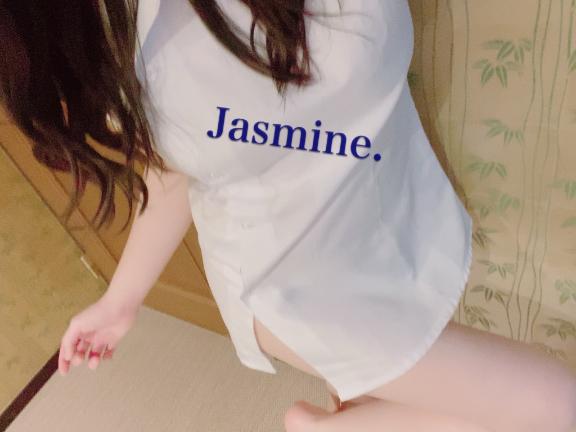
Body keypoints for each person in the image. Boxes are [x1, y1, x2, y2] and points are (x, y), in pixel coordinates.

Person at [1, 0, 575, 431]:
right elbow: (182, 160)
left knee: (398, 388)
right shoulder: (123, 35)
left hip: (393, 214)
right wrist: (121, 299)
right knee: (559, 406)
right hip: (295, 291)